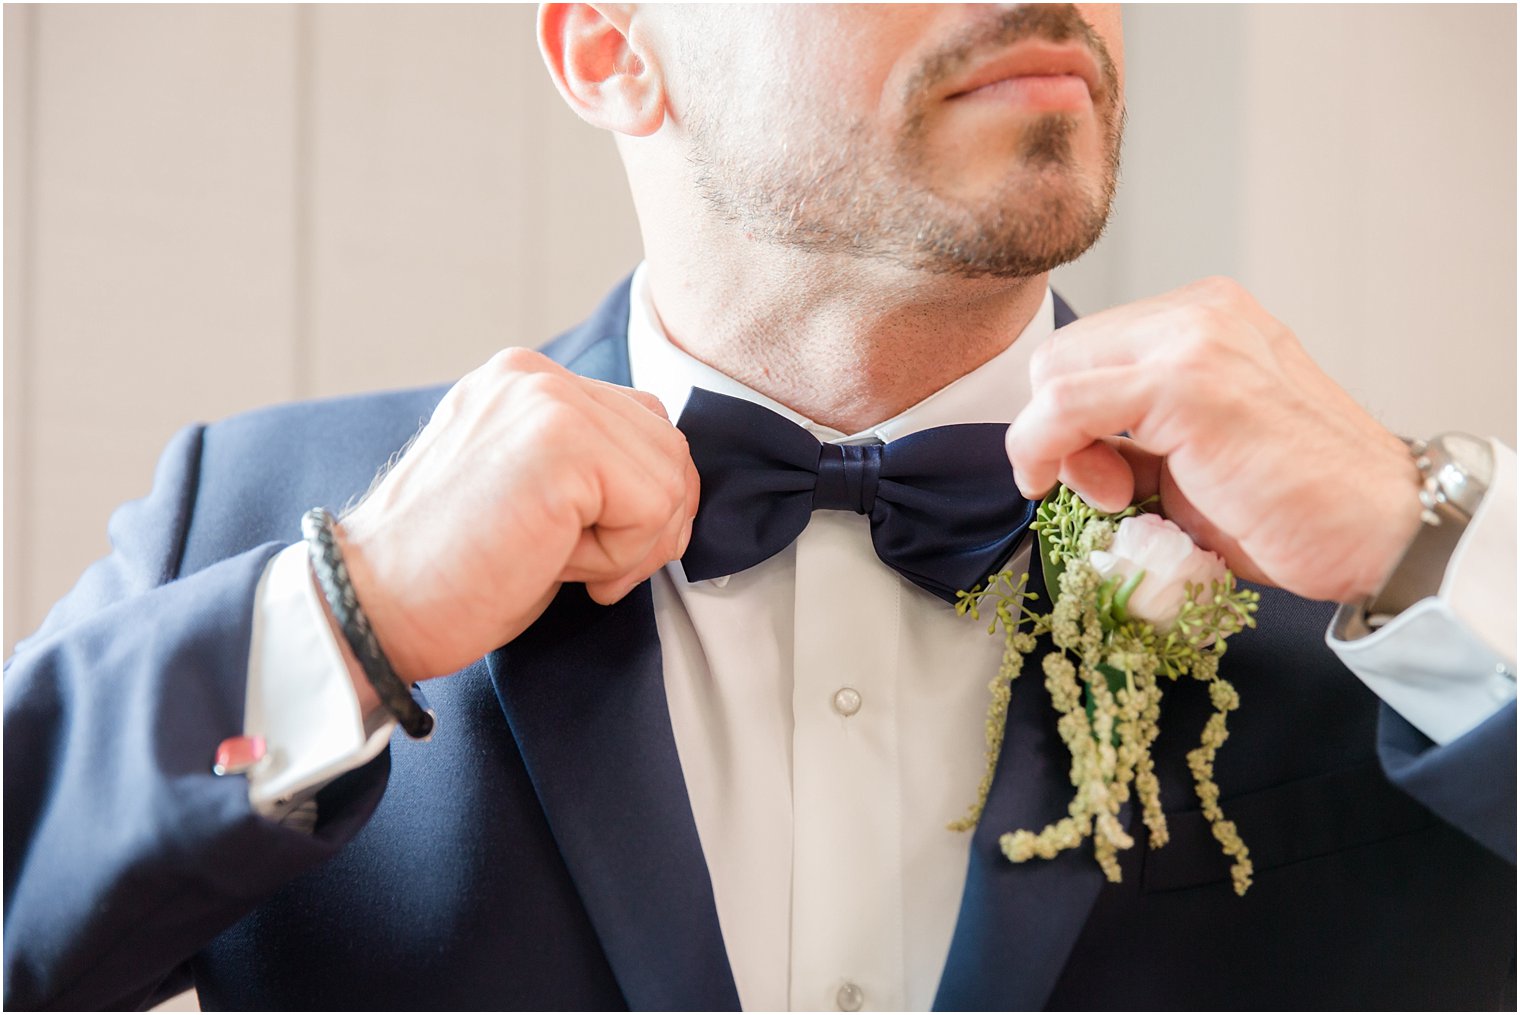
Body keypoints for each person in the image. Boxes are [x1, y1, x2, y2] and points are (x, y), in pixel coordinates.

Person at [5, 4, 1514, 1010]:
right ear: (610, 45)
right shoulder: (260, 519)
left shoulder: (1381, 559)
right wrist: (346, 617)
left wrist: (1436, 542)